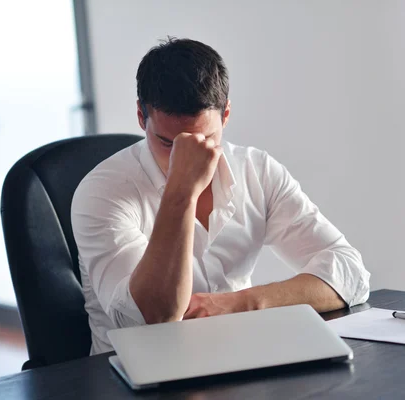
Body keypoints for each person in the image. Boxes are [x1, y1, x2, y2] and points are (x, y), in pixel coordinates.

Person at [71, 37, 370, 355]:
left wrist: (237, 304)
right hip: (131, 374)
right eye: (168, 143)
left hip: (238, 359)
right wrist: (182, 192)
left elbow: (350, 274)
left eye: (205, 138)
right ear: (141, 117)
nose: (184, 156)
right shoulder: (102, 191)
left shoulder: (257, 170)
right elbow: (151, 321)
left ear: (225, 115)